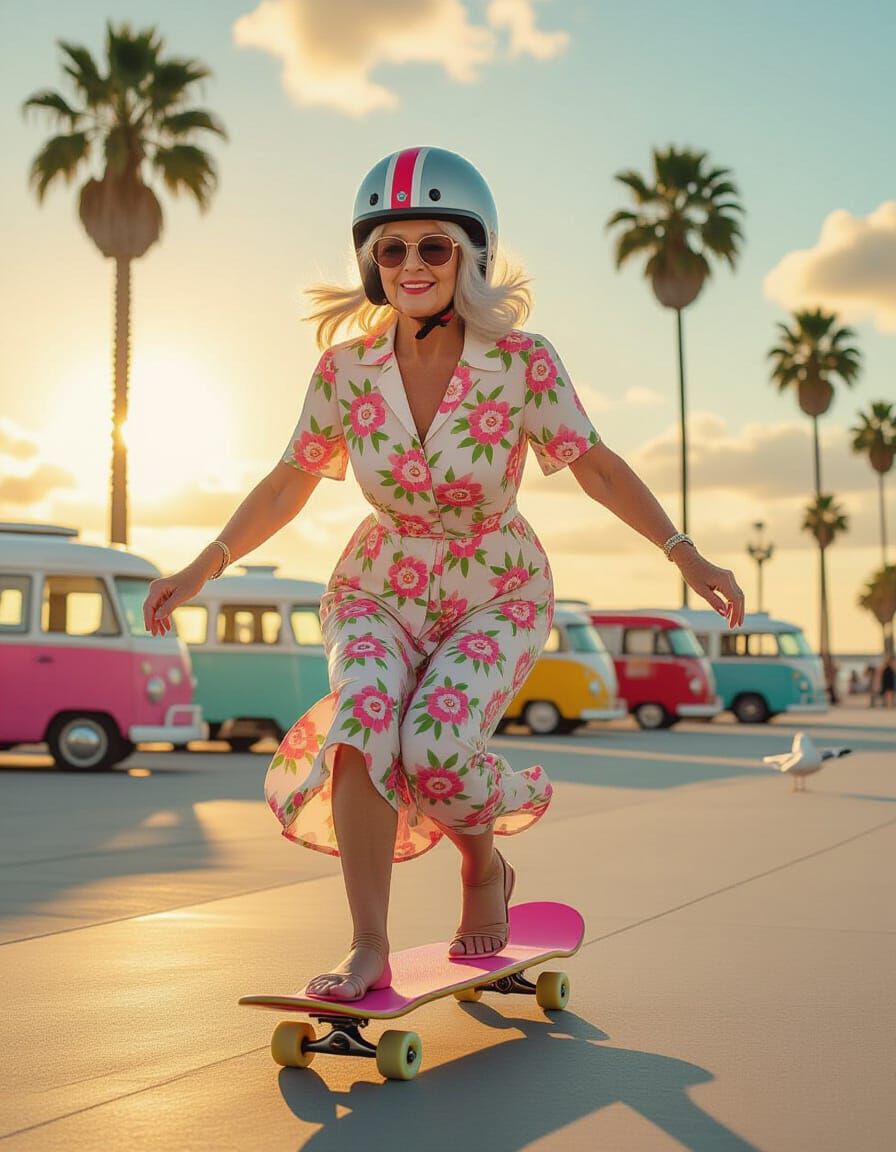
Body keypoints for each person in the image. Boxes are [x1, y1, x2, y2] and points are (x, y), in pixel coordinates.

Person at [143, 146, 745, 1002]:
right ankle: (366, 946)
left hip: (495, 589)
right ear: (370, 262)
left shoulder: (524, 363)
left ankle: (484, 863)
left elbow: (597, 465)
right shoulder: (344, 373)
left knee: (433, 750)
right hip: (377, 585)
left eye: (434, 245)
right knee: (365, 723)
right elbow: (289, 480)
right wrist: (204, 565)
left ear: (471, 254)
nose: (413, 264)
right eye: (393, 249)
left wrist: (686, 552)